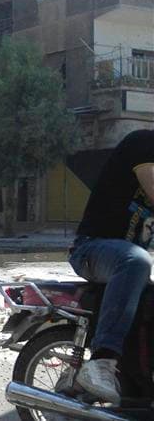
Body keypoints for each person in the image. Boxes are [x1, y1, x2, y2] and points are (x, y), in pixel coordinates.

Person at [70, 129, 154, 404]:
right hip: (92, 249)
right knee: (137, 260)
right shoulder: (144, 144)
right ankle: (102, 362)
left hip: (124, 264)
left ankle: (136, 389)